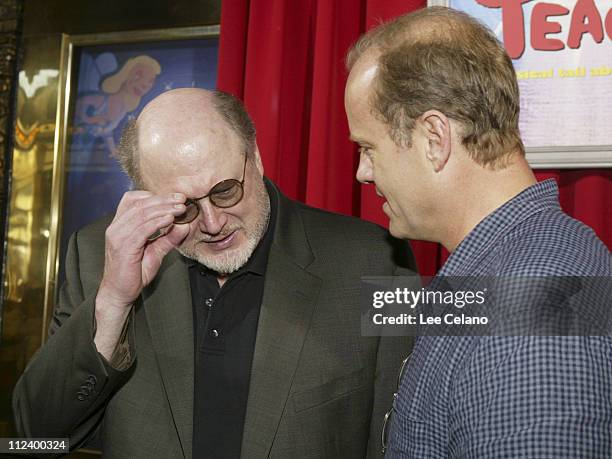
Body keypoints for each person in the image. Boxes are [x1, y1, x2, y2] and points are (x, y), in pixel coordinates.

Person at [13, 88, 416, 458]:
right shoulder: (97, 254)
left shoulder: (373, 262)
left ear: (254, 158)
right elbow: (36, 437)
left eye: (225, 190)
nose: (211, 222)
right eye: (182, 207)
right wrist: (114, 302)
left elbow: (402, 442)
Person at [344, 6, 611, 458]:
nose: (362, 173)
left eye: (369, 148)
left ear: (434, 138)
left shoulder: (533, 322)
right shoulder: (508, 266)